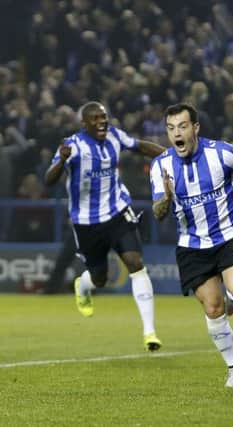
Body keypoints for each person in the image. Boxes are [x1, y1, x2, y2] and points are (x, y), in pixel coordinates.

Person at [150, 103, 233, 388]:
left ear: (195, 128)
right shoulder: (162, 166)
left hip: (229, 235)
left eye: (182, 126)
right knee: (213, 307)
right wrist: (165, 201)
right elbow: (158, 213)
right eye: (170, 129)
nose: (176, 134)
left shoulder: (221, 153)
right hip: (191, 245)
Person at [44, 101, 166, 351]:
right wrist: (60, 162)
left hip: (117, 211)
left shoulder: (114, 136)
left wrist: (170, 156)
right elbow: (49, 179)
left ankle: (150, 332)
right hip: (87, 223)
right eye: (96, 119)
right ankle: (83, 285)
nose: (102, 122)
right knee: (99, 278)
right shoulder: (73, 146)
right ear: (84, 124)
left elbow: (140, 146)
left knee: (135, 263)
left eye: (104, 117)